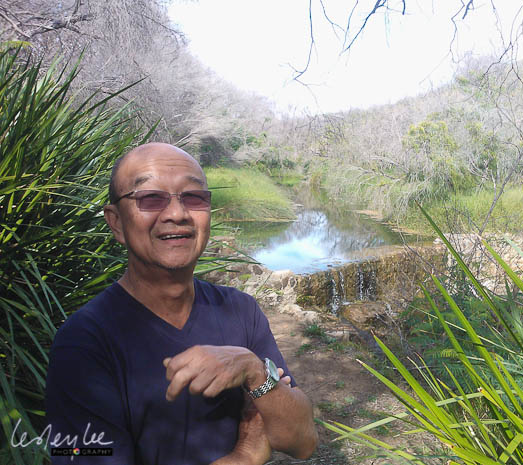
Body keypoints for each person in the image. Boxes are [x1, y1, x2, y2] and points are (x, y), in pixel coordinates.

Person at [45, 143, 318, 464]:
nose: (177, 213)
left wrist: (254, 371)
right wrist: (244, 456)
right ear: (116, 222)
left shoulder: (240, 310)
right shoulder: (83, 343)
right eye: (150, 198)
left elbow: (303, 442)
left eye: (193, 197)